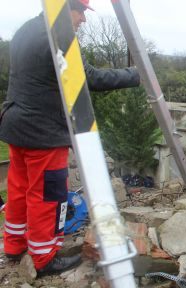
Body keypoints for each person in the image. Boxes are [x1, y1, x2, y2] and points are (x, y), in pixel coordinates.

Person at [0, 0, 140, 275]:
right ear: (65, 8)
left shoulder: (25, 30)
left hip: (16, 126)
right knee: (48, 195)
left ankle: (14, 245)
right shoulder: (58, 35)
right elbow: (90, 78)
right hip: (44, 133)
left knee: (19, 188)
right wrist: (136, 75)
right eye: (81, 12)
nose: (83, 20)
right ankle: (43, 258)